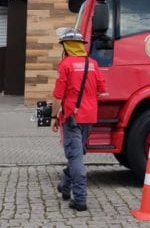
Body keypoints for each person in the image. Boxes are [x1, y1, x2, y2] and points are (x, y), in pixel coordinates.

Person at [51, 28, 108, 212]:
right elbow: (101, 89)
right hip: (89, 116)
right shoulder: (93, 63)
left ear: (66, 47)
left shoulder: (65, 65)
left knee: (75, 157)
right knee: (77, 154)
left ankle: (80, 198)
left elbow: (58, 96)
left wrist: (53, 117)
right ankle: (65, 187)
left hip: (72, 117)